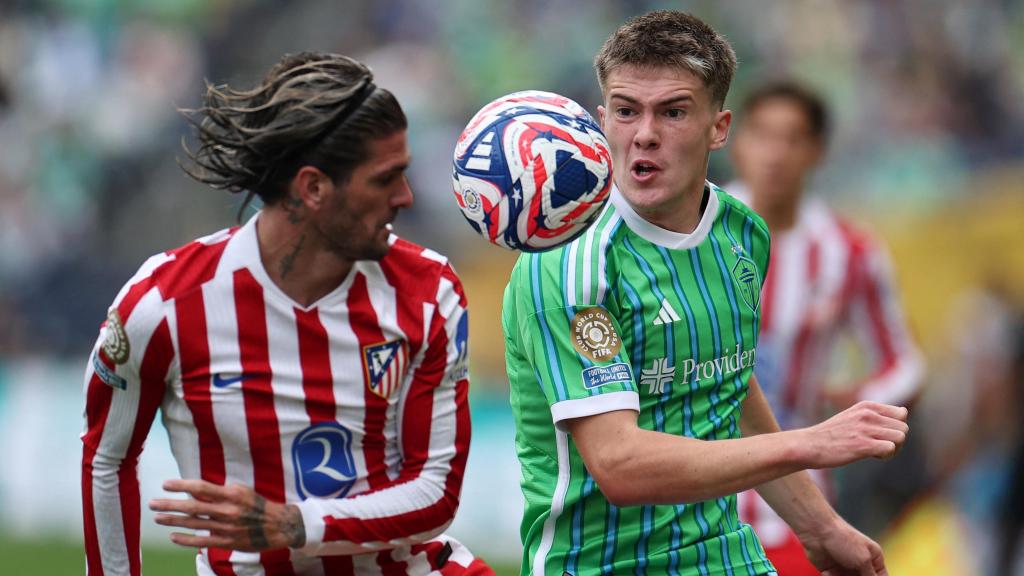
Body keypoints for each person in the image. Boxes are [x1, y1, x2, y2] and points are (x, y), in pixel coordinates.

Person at [501, 11, 909, 576]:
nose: (644, 133)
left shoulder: (742, 233)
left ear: (719, 128)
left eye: (672, 112)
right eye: (626, 111)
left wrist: (821, 525)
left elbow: (728, 388)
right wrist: (809, 444)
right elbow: (620, 466)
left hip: (728, 555)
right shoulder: (570, 260)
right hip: (602, 565)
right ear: (601, 121)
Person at [81, 52, 492, 576]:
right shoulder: (164, 305)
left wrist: (295, 524)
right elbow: (107, 459)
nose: (405, 198)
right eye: (385, 179)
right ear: (313, 188)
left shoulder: (428, 291)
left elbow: (435, 493)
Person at [726, 81, 925, 575]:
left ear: (815, 152)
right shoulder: (692, 229)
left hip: (798, 506)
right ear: (734, 140)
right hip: (693, 498)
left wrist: (859, 406)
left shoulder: (848, 252)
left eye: (791, 139)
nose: (775, 154)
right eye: (763, 135)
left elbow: (903, 362)